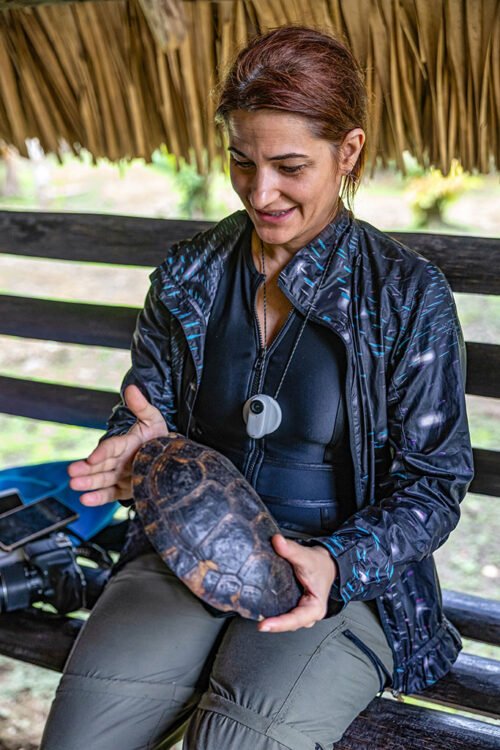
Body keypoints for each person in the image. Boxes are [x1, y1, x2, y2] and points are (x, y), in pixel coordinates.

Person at [41, 25, 473, 750]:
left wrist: (338, 561)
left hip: (340, 579)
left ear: (350, 152)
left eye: (289, 166)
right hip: (188, 552)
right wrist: (133, 445)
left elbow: (434, 484)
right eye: (241, 162)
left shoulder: (405, 294)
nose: (259, 191)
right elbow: (148, 413)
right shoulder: (190, 273)